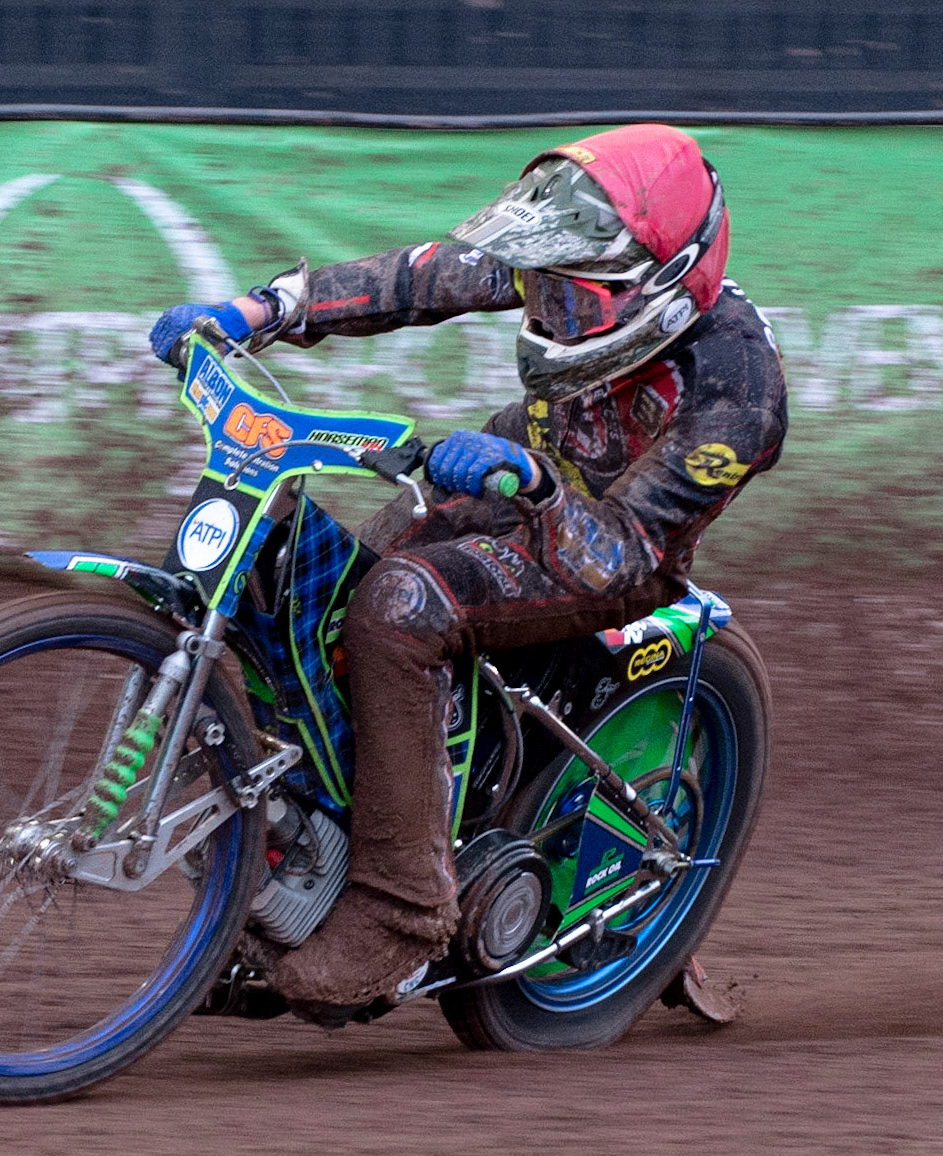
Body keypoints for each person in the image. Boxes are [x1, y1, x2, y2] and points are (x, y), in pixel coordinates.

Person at [149, 123, 788, 1010]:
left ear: (662, 287)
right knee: (320, 593)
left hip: (614, 552)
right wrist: (263, 312)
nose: (546, 310)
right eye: (539, 288)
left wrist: (537, 483)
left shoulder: (737, 398)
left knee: (400, 606)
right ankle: (306, 854)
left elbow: (623, 553)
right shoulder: (578, 258)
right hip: (508, 479)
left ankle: (402, 913)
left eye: (570, 300)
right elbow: (418, 278)